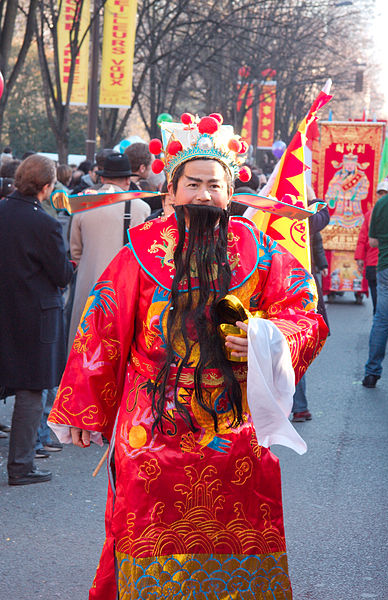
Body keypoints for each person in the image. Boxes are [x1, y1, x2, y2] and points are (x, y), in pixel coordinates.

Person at [49, 114, 328, 599]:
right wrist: (83, 410)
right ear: (170, 190)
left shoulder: (261, 250)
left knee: (239, 536)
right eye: (192, 183)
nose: (203, 195)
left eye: (213, 185)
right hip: (151, 426)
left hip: (234, 429)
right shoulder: (137, 252)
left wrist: (264, 336)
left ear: (231, 190)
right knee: (146, 538)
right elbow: (103, 330)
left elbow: (305, 314)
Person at [0, 154, 73, 485]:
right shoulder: (44, 223)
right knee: (32, 389)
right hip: (36, 314)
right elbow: (61, 274)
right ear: (46, 186)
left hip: (5, 308)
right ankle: (21, 465)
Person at [68, 152, 151, 349]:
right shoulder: (142, 208)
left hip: (88, 286)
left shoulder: (83, 206)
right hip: (125, 289)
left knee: (84, 345)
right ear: (127, 179)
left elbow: (75, 252)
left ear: (103, 178)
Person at [292, 187, 330, 422]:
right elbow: (322, 214)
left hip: (262, 289)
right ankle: (299, 406)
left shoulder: (255, 214)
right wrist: (313, 195)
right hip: (294, 288)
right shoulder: (295, 214)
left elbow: (316, 240)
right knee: (292, 351)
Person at [362, 161, 388, 388]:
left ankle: (372, 373)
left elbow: (373, 241)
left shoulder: (382, 203)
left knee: (382, 322)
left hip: (385, 268)